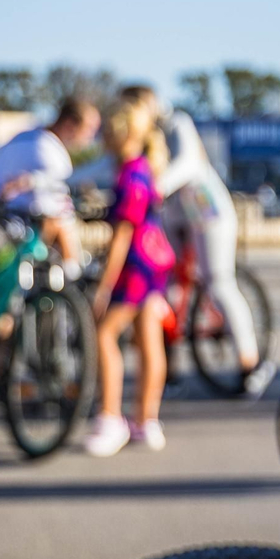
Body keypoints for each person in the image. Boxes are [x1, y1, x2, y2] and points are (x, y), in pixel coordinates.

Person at [121, 85, 274, 396]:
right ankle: (167, 363)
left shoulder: (176, 123)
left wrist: (154, 188)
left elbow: (188, 163)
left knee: (218, 281)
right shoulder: (137, 137)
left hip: (206, 210)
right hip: (173, 214)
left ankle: (251, 363)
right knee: (161, 285)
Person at [85, 92, 176, 457]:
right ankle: (146, 420)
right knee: (148, 336)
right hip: (155, 261)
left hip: (136, 264)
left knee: (105, 333)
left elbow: (122, 234)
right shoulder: (145, 168)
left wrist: (104, 287)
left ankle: (110, 417)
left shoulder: (130, 173)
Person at [0, 97, 100, 273]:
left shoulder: (24, 137)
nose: (92, 137)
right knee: (61, 221)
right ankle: (73, 277)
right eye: (90, 129)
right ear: (70, 124)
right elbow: (56, 209)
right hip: (6, 224)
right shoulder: (50, 150)